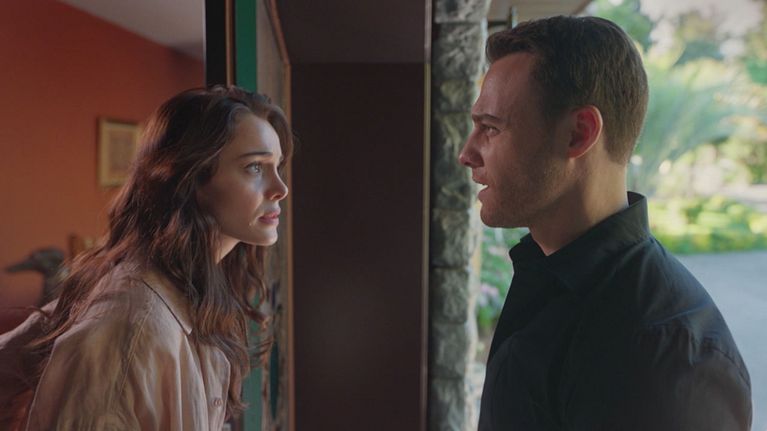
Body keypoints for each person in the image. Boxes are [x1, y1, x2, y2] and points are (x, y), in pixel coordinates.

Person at [458, 16, 752, 430]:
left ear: (578, 134)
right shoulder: (548, 278)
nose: (467, 154)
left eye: (490, 128)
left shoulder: (663, 352)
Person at [0, 85, 291, 430]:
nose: (281, 188)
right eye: (255, 167)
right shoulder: (131, 330)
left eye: (277, 166)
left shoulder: (191, 291)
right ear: (192, 177)